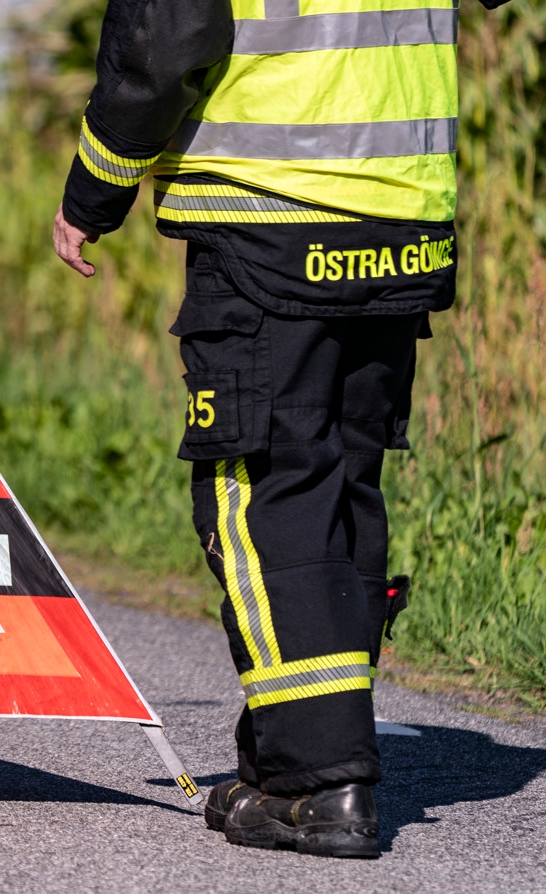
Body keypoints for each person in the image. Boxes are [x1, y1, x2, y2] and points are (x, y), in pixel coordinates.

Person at [52, 0, 511, 858]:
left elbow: (164, 40)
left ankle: (321, 785)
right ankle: (283, 758)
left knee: (267, 493)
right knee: (341, 484)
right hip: (402, 224)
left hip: (270, 224)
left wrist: (95, 189)